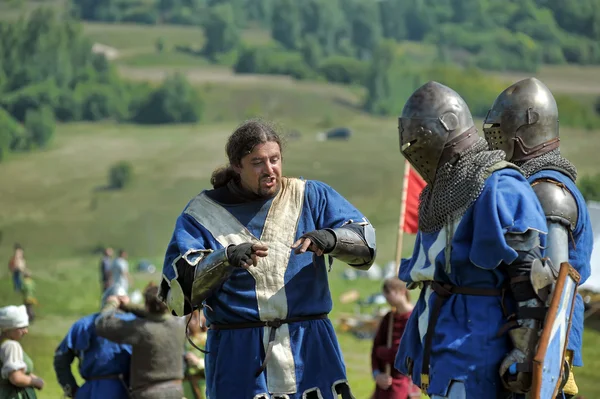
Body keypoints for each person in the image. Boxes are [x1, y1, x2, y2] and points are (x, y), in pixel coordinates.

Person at [158, 118, 376, 399]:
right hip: (239, 353)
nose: (270, 169)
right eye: (258, 162)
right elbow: (177, 296)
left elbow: (366, 244)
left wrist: (331, 239)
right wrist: (225, 259)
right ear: (237, 166)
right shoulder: (201, 214)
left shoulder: (310, 196)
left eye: (275, 159)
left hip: (309, 345)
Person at [394, 81, 552, 399]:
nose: (413, 147)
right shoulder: (438, 192)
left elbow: (530, 278)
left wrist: (524, 352)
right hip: (441, 340)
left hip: (477, 342)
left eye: (419, 135)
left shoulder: (500, 185)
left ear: (447, 126)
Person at [483, 77, 594, 398]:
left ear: (525, 127)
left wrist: (527, 350)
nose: (493, 137)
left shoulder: (546, 191)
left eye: (499, 128)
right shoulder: (531, 183)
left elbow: (548, 287)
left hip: (539, 342)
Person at [95, 282, 186, 399]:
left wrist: (112, 303)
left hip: (149, 394)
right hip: (176, 391)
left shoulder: (141, 329)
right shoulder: (178, 325)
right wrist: (129, 306)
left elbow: (102, 324)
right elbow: (157, 315)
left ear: (147, 304)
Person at [53, 287, 135, 399]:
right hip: (126, 391)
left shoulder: (84, 324)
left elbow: (61, 359)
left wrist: (72, 389)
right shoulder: (136, 323)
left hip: (90, 392)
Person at [371, 277, 420, 399]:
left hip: (404, 384)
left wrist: (383, 352)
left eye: (388, 292)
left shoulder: (416, 319)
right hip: (384, 382)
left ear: (401, 291)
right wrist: (377, 374)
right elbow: (375, 348)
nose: (386, 297)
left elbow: (404, 355)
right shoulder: (389, 318)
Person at [0, 305, 44, 398]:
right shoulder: (11, 346)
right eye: (21, 328)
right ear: (8, 329)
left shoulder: (2, 344)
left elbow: (17, 371)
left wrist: (30, 376)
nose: (26, 331)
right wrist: (35, 382)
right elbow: (16, 377)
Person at [183, 310, 207, 399]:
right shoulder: (185, 340)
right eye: (189, 319)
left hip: (203, 383)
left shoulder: (206, 338)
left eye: (195, 318)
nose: (192, 322)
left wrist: (198, 362)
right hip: (189, 384)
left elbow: (216, 364)